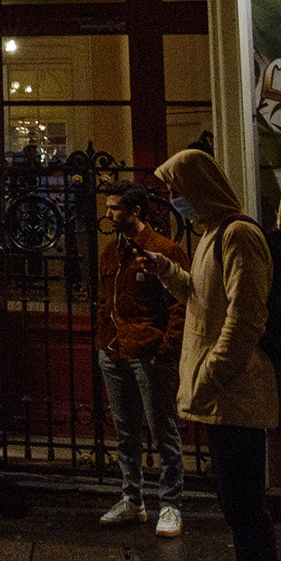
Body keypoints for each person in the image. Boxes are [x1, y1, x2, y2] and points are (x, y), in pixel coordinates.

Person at [162, 149, 281, 561]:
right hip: (221, 400)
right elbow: (202, 298)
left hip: (236, 398)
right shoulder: (210, 237)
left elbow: (246, 318)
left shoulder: (239, 235)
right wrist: (169, 273)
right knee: (240, 515)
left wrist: (210, 376)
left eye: (178, 189)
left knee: (248, 517)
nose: (176, 200)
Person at [92, 184, 190, 532]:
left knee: (163, 430)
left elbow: (181, 304)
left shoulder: (164, 250)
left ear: (136, 211)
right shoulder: (109, 253)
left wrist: (166, 347)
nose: (109, 214)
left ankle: (170, 504)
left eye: (116, 208)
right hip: (115, 350)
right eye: (108, 207)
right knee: (125, 432)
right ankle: (132, 499)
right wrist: (104, 342)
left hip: (148, 353)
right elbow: (106, 300)